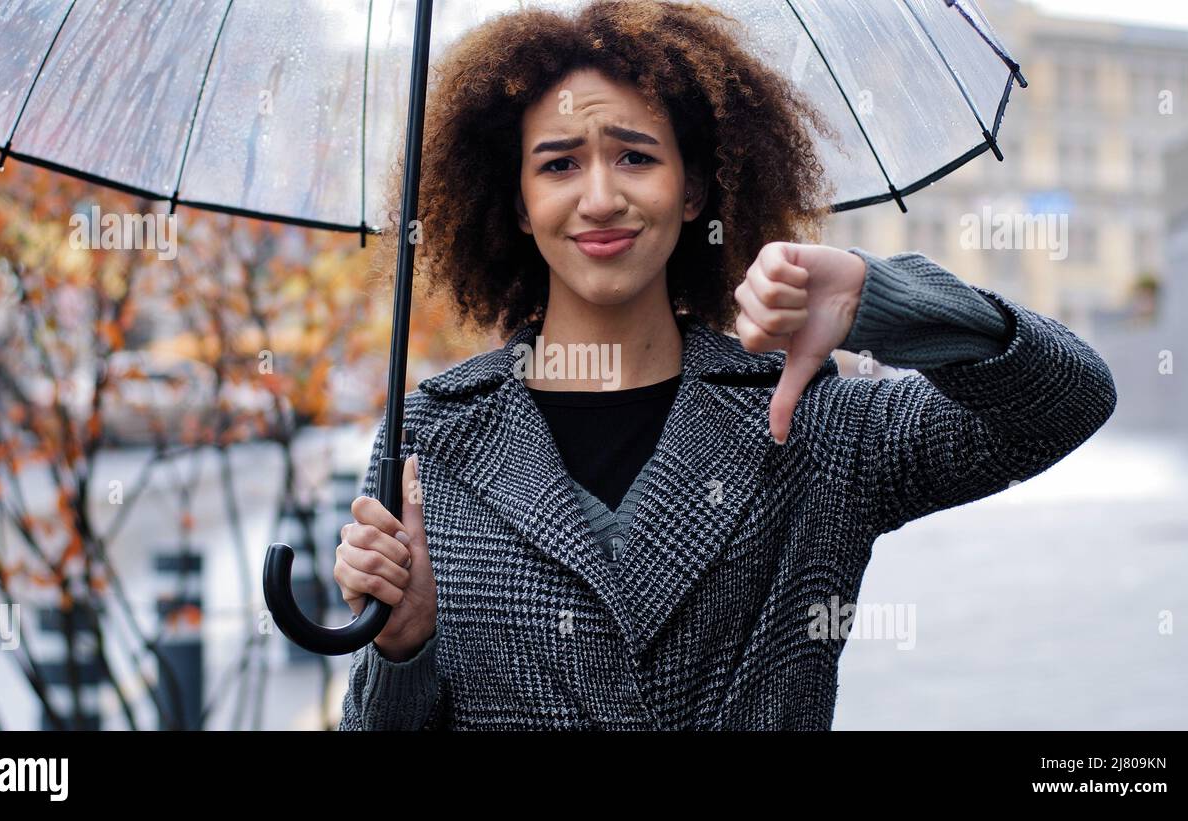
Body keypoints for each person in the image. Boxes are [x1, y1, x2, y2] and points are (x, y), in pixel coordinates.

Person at [334, 0, 1117, 730]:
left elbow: (1066, 400)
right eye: (560, 165)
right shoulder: (430, 440)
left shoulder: (809, 415)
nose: (600, 197)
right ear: (515, 203)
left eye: (636, 156)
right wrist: (403, 649)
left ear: (694, 190)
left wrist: (882, 300)